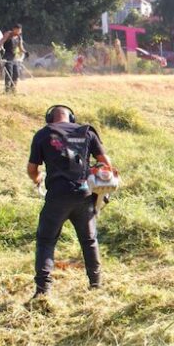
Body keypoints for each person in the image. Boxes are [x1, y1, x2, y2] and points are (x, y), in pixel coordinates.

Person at [27, 105, 112, 298]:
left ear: (50, 118)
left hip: (56, 197)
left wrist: (37, 178)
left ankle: (43, 291)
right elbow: (106, 164)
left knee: (46, 241)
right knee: (89, 241)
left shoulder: (43, 134)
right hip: (84, 195)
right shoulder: (87, 132)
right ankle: (96, 285)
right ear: (71, 118)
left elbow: (32, 169)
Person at [0, 23, 26, 94]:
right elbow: (1, 42)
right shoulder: (8, 34)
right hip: (7, 56)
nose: (19, 32)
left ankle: (13, 89)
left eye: (20, 30)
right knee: (9, 73)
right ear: (14, 29)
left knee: (16, 73)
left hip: (15, 57)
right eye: (18, 30)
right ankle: (7, 89)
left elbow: (21, 47)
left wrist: (25, 52)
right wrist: (1, 49)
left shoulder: (19, 37)